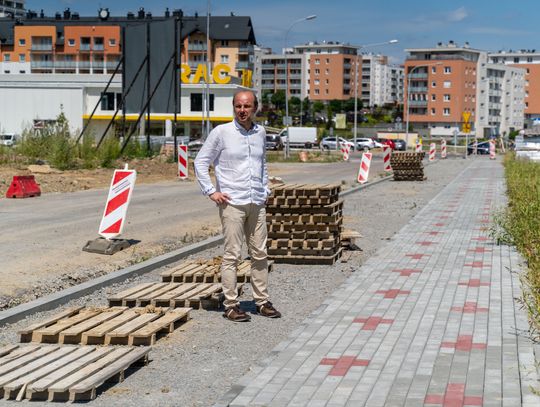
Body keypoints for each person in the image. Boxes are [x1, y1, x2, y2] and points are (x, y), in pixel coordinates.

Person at [194, 90, 281, 322]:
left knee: (260, 253)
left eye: (247, 106)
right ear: (234, 107)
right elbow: (201, 161)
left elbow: (262, 164)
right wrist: (211, 191)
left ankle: (261, 301)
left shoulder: (260, 132)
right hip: (232, 203)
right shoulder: (221, 132)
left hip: (256, 201)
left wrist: (266, 190)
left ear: (255, 108)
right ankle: (231, 304)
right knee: (232, 254)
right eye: (238, 106)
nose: (242, 110)